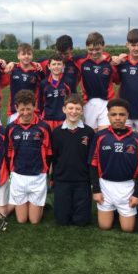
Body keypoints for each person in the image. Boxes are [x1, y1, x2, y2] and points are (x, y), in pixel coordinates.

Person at [89, 98, 138, 232]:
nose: (117, 118)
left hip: (127, 188)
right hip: (105, 186)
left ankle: (121, 212)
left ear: (127, 116)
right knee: (104, 226)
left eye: (122, 114)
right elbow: (93, 164)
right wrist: (96, 190)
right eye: (113, 115)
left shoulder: (137, 139)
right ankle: (112, 211)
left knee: (128, 229)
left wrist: (137, 194)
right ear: (108, 116)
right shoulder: (100, 136)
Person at [5, 90, 52, 224]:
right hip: (18, 176)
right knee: (21, 220)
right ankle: (22, 203)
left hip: (37, 176)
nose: (25, 113)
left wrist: (45, 173)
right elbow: (8, 153)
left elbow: (49, 153)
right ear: (16, 108)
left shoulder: (43, 127)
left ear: (35, 106)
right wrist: (11, 172)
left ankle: (37, 204)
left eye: (28, 109)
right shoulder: (11, 128)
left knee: (34, 220)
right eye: (22, 109)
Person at [50, 94, 95, 226]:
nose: (73, 112)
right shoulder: (56, 132)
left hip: (82, 181)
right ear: (64, 109)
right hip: (62, 180)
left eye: (77, 108)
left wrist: (91, 180)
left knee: (81, 221)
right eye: (70, 108)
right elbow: (54, 157)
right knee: (62, 220)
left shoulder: (89, 132)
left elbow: (91, 158)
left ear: (81, 111)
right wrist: (53, 177)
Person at [76, 32, 116, 131]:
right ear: (86, 47)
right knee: (91, 133)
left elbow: (117, 79)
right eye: (90, 49)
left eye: (97, 49)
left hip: (106, 102)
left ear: (103, 46)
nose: (94, 52)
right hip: (89, 103)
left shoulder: (110, 61)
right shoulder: (81, 61)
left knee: (104, 133)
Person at [5, 43, 43, 123]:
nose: (26, 56)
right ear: (18, 56)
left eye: (29, 54)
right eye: (23, 54)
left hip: (31, 110)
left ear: (32, 56)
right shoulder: (12, 69)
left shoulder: (37, 71)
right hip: (14, 110)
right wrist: (11, 63)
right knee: (12, 134)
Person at [38, 55, 72, 131]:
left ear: (63, 66)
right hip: (47, 120)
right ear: (49, 66)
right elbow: (40, 103)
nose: (56, 66)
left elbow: (72, 101)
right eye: (54, 64)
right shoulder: (44, 83)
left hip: (64, 119)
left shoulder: (68, 82)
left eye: (59, 64)